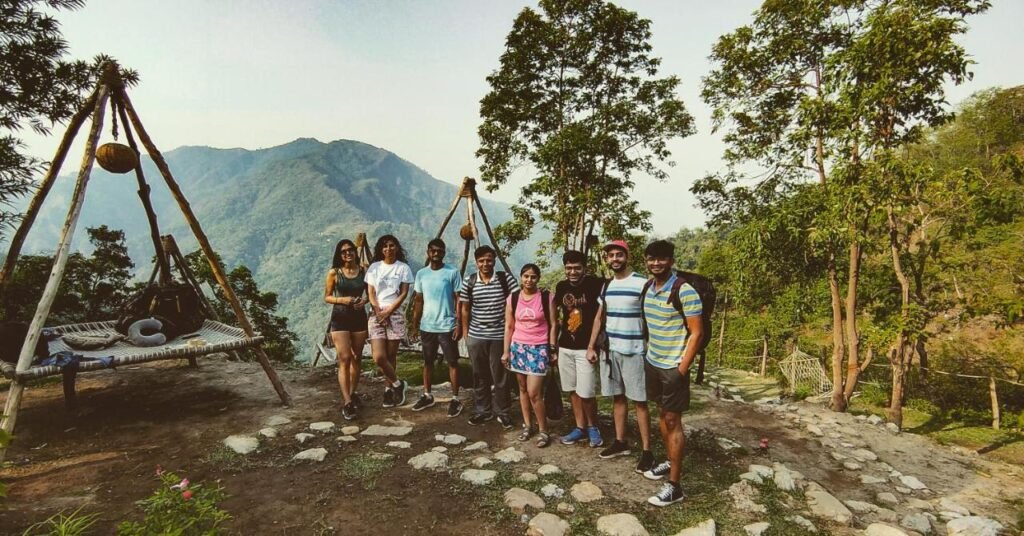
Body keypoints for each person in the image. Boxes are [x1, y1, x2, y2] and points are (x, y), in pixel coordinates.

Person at [639, 240, 703, 507]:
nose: (656, 263)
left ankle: (675, 487)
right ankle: (669, 460)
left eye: (662, 259)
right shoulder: (648, 288)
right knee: (662, 415)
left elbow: (696, 333)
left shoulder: (685, 291)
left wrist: (682, 368)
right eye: (652, 259)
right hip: (653, 362)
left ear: (671, 261)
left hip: (673, 367)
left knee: (673, 421)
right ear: (646, 261)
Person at [589, 239, 655, 472]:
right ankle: (620, 442)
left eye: (619, 254)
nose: (615, 259)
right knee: (617, 398)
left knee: (640, 401)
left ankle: (647, 451)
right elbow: (599, 318)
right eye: (611, 255)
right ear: (607, 259)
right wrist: (591, 346)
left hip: (635, 351)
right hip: (611, 350)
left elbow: (653, 315)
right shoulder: (607, 286)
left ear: (627, 256)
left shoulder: (643, 283)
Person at [460, 246, 519, 429]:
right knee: (479, 374)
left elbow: (517, 302)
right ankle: (483, 411)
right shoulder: (469, 281)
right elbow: (465, 309)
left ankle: (503, 412)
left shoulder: (504, 279)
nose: (485, 264)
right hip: (476, 336)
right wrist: (466, 334)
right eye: (481, 261)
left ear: (494, 260)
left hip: (500, 335)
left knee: (500, 375)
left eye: (489, 260)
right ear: (476, 262)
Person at [553, 250, 605, 448]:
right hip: (565, 346)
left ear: (585, 268)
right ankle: (579, 427)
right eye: (568, 268)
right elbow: (556, 316)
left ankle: (593, 427)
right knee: (572, 390)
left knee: (587, 392)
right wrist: (554, 346)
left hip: (586, 348)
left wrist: (593, 345)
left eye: (577, 268)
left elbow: (600, 317)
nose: (572, 271)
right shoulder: (561, 286)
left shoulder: (595, 285)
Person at [502, 263, 557, 448]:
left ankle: (543, 430)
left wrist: (552, 348)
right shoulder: (513, 298)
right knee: (523, 389)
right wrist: (506, 351)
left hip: (539, 347)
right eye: (526, 276)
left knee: (535, 392)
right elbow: (509, 326)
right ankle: (528, 425)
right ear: (521, 277)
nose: (529, 280)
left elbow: (554, 324)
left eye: (533, 277)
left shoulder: (546, 297)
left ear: (538, 278)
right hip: (518, 347)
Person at [410, 238, 464, 417]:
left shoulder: (452, 272)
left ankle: (455, 398)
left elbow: (459, 299)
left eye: (440, 251)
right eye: (433, 250)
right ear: (428, 252)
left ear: (444, 253)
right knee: (427, 362)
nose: (436, 254)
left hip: (447, 325)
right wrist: (415, 325)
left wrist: (459, 323)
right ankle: (427, 395)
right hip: (427, 326)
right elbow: (418, 300)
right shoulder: (421, 274)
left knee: (453, 362)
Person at [365, 234, 413, 408]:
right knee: (379, 357)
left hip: (395, 314)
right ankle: (399, 384)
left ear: (397, 248)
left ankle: (388, 391)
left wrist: (390, 310)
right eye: (385, 246)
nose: (388, 249)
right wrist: (378, 311)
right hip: (376, 313)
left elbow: (403, 293)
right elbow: (371, 292)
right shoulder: (374, 268)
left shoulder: (403, 268)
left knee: (391, 356)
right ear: (380, 249)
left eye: (392, 245)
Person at [324, 239, 369, 421]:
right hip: (340, 318)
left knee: (357, 357)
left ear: (355, 252)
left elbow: (370, 293)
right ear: (339, 254)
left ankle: (353, 392)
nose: (348, 253)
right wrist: (342, 300)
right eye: (344, 251)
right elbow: (326, 297)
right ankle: (347, 401)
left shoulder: (363, 270)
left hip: (359, 317)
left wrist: (363, 302)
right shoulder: (334, 273)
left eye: (350, 250)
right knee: (344, 358)